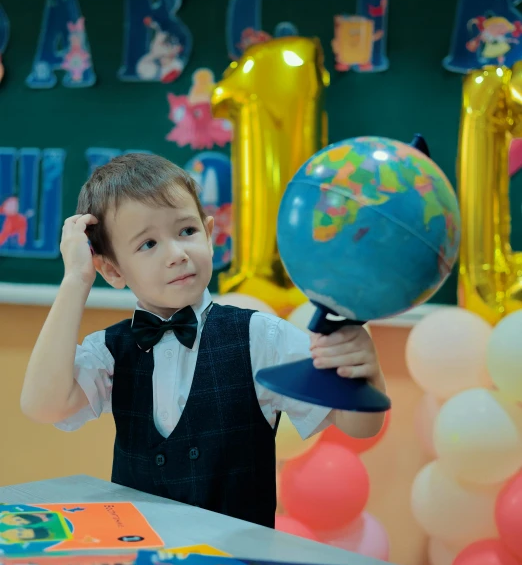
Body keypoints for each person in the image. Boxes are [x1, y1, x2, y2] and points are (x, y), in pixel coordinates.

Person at [21, 153, 387, 528]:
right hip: (141, 558)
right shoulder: (111, 350)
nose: (177, 254)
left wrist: (366, 374)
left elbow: (359, 425)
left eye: (186, 231)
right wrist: (75, 281)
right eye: (148, 244)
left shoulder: (261, 336)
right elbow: (43, 405)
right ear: (113, 270)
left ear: (209, 235)